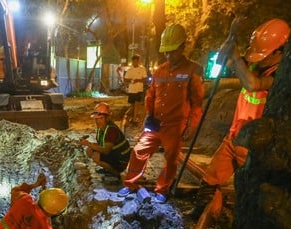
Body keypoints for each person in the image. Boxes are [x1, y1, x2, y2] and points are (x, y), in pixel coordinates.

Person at [193, 18, 291, 218]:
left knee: (249, 191)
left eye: (263, 54)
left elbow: (253, 84)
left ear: (279, 51)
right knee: (210, 180)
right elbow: (222, 60)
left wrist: (238, 59)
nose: (258, 59)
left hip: (255, 148)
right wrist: (231, 37)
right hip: (234, 137)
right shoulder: (253, 65)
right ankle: (206, 217)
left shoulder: (283, 73)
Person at [117, 24, 204, 204]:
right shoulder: (160, 70)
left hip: (175, 125)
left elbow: (197, 103)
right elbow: (151, 95)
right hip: (155, 123)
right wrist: (149, 115)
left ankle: (162, 189)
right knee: (139, 151)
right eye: (166, 52)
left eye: (172, 51)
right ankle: (130, 183)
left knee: (171, 158)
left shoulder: (193, 71)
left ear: (182, 47)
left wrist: (192, 125)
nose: (169, 55)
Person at [79, 102, 132, 178]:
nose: (98, 121)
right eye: (96, 119)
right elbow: (101, 144)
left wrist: (89, 144)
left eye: (101, 118)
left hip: (121, 160)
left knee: (96, 156)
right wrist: (90, 145)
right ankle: (107, 169)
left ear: (107, 118)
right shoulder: (101, 129)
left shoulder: (111, 130)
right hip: (115, 155)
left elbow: (106, 151)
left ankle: (115, 173)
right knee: (90, 150)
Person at [121, 54, 148, 128]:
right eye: (134, 61)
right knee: (132, 105)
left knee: (137, 104)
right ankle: (128, 115)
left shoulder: (142, 69)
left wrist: (138, 80)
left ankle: (134, 118)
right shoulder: (130, 70)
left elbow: (145, 79)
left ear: (139, 61)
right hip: (131, 90)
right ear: (132, 61)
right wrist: (131, 80)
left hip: (139, 89)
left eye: (137, 61)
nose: (135, 62)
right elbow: (125, 79)